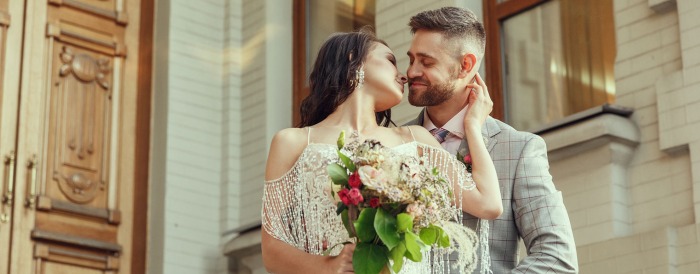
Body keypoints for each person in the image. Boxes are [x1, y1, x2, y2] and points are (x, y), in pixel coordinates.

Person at [261, 28, 502, 274]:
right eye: (390, 61)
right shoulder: (293, 141)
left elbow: (489, 203)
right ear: (352, 59)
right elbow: (271, 249)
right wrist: (329, 265)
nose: (404, 75)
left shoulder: (415, 139)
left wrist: (472, 125)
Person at [404, 7, 579, 273]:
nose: (412, 72)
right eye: (411, 59)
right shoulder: (392, 143)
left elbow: (556, 258)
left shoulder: (519, 150)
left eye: (426, 62)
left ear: (466, 66)